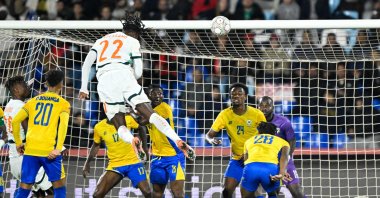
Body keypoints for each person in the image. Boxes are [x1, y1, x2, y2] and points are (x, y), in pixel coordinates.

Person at [79, 11, 194, 160]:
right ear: (137, 33)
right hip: (124, 74)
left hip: (104, 80)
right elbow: (138, 72)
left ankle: (132, 140)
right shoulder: (133, 41)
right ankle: (176, 139)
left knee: (118, 123)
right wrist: (128, 83)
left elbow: (87, 63)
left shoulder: (101, 40)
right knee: (151, 114)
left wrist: (83, 87)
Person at [12, 70, 70, 198]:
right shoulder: (63, 104)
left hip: (30, 150)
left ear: (46, 83)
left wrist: (18, 143)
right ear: (61, 84)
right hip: (49, 152)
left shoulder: (32, 101)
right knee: (59, 188)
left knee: (24, 188)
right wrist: (58, 149)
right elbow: (63, 126)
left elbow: (16, 121)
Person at [205, 83, 266, 198]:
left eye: (239, 94)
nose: (236, 96)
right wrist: (211, 140)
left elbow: (266, 137)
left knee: (251, 194)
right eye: (233, 94)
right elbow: (208, 135)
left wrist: (250, 153)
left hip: (254, 159)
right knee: (226, 191)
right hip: (237, 159)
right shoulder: (225, 114)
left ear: (245, 96)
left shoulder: (257, 114)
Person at [4, 76, 55, 197]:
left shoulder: (8, 106)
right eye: (23, 85)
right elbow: (30, 133)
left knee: (39, 193)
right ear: (16, 89)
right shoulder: (22, 107)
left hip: (14, 160)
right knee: (52, 191)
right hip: (26, 157)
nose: (27, 87)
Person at [83, 114, 151, 198]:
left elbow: (141, 128)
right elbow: (96, 145)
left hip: (134, 162)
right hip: (115, 165)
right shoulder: (99, 127)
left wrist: (144, 148)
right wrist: (87, 162)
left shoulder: (128, 119)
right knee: (97, 194)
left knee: (147, 192)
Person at [258, 96, 306, 198]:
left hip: (284, 161)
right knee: (273, 194)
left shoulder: (284, 122)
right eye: (261, 105)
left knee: (297, 192)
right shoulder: (255, 122)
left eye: (267, 105)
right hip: (268, 163)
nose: (264, 108)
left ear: (273, 107)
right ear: (258, 107)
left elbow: (292, 141)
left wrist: (287, 158)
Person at [146, 84, 186, 198]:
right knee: (157, 193)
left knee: (177, 193)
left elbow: (143, 121)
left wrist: (133, 109)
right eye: (154, 93)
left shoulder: (164, 108)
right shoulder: (147, 110)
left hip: (174, 155)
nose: (158, 96)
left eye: (160, 93)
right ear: (148, 96)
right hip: (157, 156)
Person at [241, 122, 292, 198]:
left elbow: (245, 159)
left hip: (251, 168)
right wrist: (282, 173)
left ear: (258, 132)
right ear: (275, 132)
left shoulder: (248, 141)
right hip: (271, 168)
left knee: (246, 196)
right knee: (273, 194)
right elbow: (284, 157)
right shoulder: (283, 142)